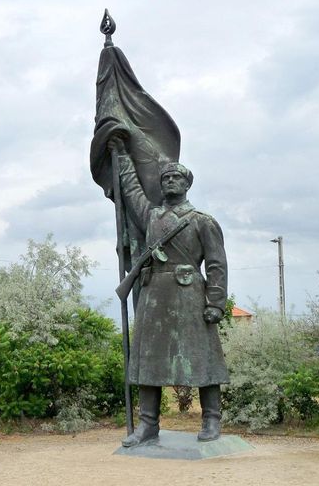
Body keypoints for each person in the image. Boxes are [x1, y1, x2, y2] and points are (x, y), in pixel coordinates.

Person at [109, 138, 229, 447]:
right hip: (154, 297)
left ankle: (211, 418)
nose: (170, 181)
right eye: (165, 178)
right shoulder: (151, 217)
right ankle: (148, 425)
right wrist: (121, 156)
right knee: (148, 362)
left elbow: (216, 264)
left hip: (189, 296)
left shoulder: (203, 221)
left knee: (203, 360)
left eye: (176, 177)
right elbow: (133, 192)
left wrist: (215, 302)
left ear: (188, 183)